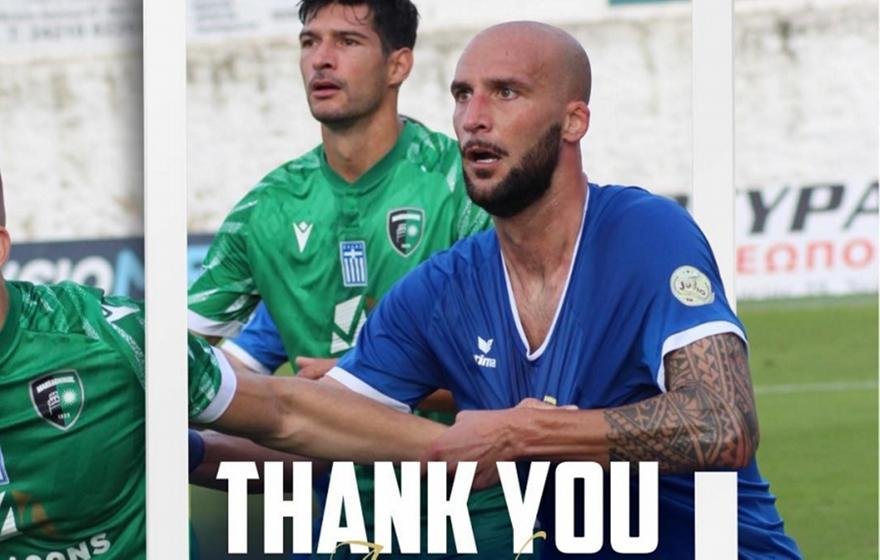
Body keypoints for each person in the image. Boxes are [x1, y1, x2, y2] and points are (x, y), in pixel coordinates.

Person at [317, 22, 804, 559]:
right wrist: (235, 408)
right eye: (462, 95)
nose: (474, 117)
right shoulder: (443, 289)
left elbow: (725, 423)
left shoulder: (646, 234)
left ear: (574, 121)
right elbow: (304, 422)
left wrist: (523, 434)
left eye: (506, 92)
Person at [187, 0, 512, 556]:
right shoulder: (264, 210)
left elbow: (522, 374)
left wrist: (365, 382)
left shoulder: (464, 188)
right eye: (309, 41)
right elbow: (177, 360)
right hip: (339, 517)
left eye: (347, 41)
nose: (322, 59)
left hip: (473, 515)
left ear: (398, 65)